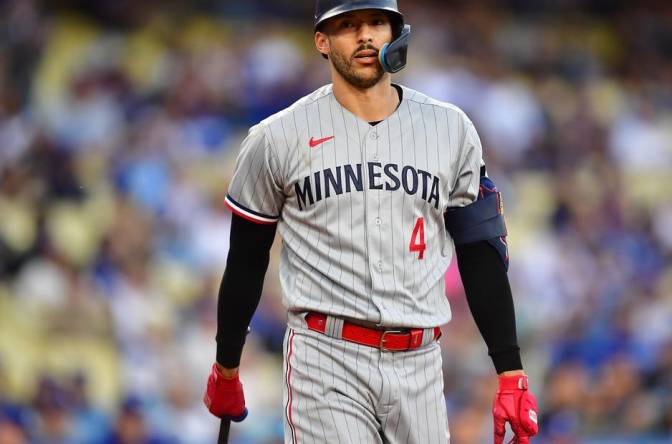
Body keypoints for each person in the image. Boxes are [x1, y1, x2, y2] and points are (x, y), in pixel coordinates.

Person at [202, 1, 539, 442]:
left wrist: (509, 369)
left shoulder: (450, 129)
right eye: (347, 25)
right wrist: (227, 364)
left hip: (421, 362)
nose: (364, 35)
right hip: (326, 356)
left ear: (396, 32)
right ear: (322, 40)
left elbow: (480, 250)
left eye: (376, 22)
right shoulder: (276, 138)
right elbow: (246, 259)